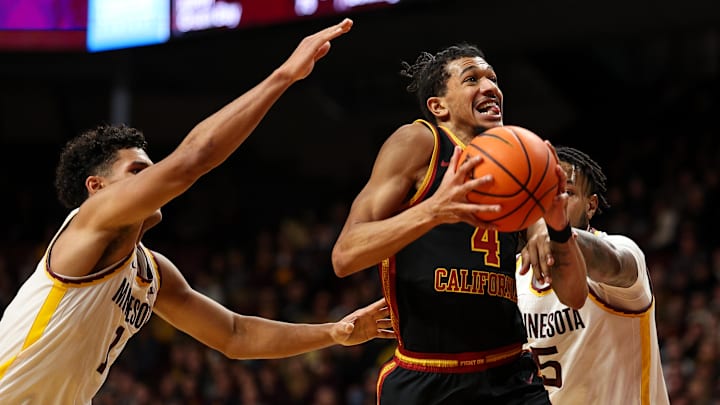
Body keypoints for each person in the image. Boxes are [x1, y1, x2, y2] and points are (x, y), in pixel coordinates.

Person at [0, 19, 395, 404]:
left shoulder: (150, 272)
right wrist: (284, 76)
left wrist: (335, 332)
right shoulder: (95, 217)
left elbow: (235, 335)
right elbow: (193, 159)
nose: (152, 180)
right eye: (138, 172)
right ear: (97, 188)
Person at [331, 43, 588, 404]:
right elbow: (344, 255)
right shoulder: (422, 143)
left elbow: (575, 296)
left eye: (493, 78)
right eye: (472, 79)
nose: (490, 87)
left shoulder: (520, 164)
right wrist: (433, 210)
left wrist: (555, 227)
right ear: (439, 106)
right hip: (429, 376)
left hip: (509, 374)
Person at [516, 146, 670, 404]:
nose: (555, 202)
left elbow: (614, 264)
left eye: (567, 192)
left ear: (591, 206)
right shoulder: (515, 274)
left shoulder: (622, 250)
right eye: (545, 193)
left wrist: (560, 234)